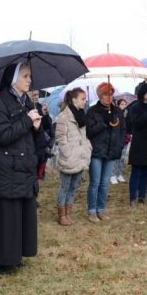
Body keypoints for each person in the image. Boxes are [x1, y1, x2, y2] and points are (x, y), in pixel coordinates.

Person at [0, 63, 41, 275]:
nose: (29, 80)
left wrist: (36, 126)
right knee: (5, 216)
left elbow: (27, 134)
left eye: (30, 76)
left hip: (21, 168)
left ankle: (15, 255)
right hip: (5, 168)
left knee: (19, 215)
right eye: (25, 76)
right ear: (13, 79)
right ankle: (1, 259)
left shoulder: (25, 103)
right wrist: (27, 120)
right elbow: (2, 135)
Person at [86, 82, 126, 223]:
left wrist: (119, 146)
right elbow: (89, 131)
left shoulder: (117, 111)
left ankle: (101, 209)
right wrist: (103, 122)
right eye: (105, 94)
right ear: (99, 95)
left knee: (104, 183)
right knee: (95, 182)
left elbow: (122, 131)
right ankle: (91, 210)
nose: (109, 97)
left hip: (112, 151)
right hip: (97, 151)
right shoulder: (92, 111)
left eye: (110, 94)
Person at [55, 88, 92, 225]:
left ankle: (68, 213)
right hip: (69, 158)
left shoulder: (82, 115)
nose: (85, 101)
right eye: (82, 98)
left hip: (81, 156)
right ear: (74, 99)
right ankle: (61, 214)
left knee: (74, 187)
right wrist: (68, 154)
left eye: (85, 98)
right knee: (64, 186)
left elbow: (84, 135)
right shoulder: (63, 116)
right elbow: (60, 137)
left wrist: (86, 148)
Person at [110, 99, 131, 184]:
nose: (124, 106)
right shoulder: (114, 114)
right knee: (115, 158)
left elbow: (129, 126)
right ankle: (113, 175)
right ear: (118, 105)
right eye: (122, 104)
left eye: (125, 104)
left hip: (125, 138)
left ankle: (119, 174)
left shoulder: (127, 114)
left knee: (122, 158)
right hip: (116, 139)